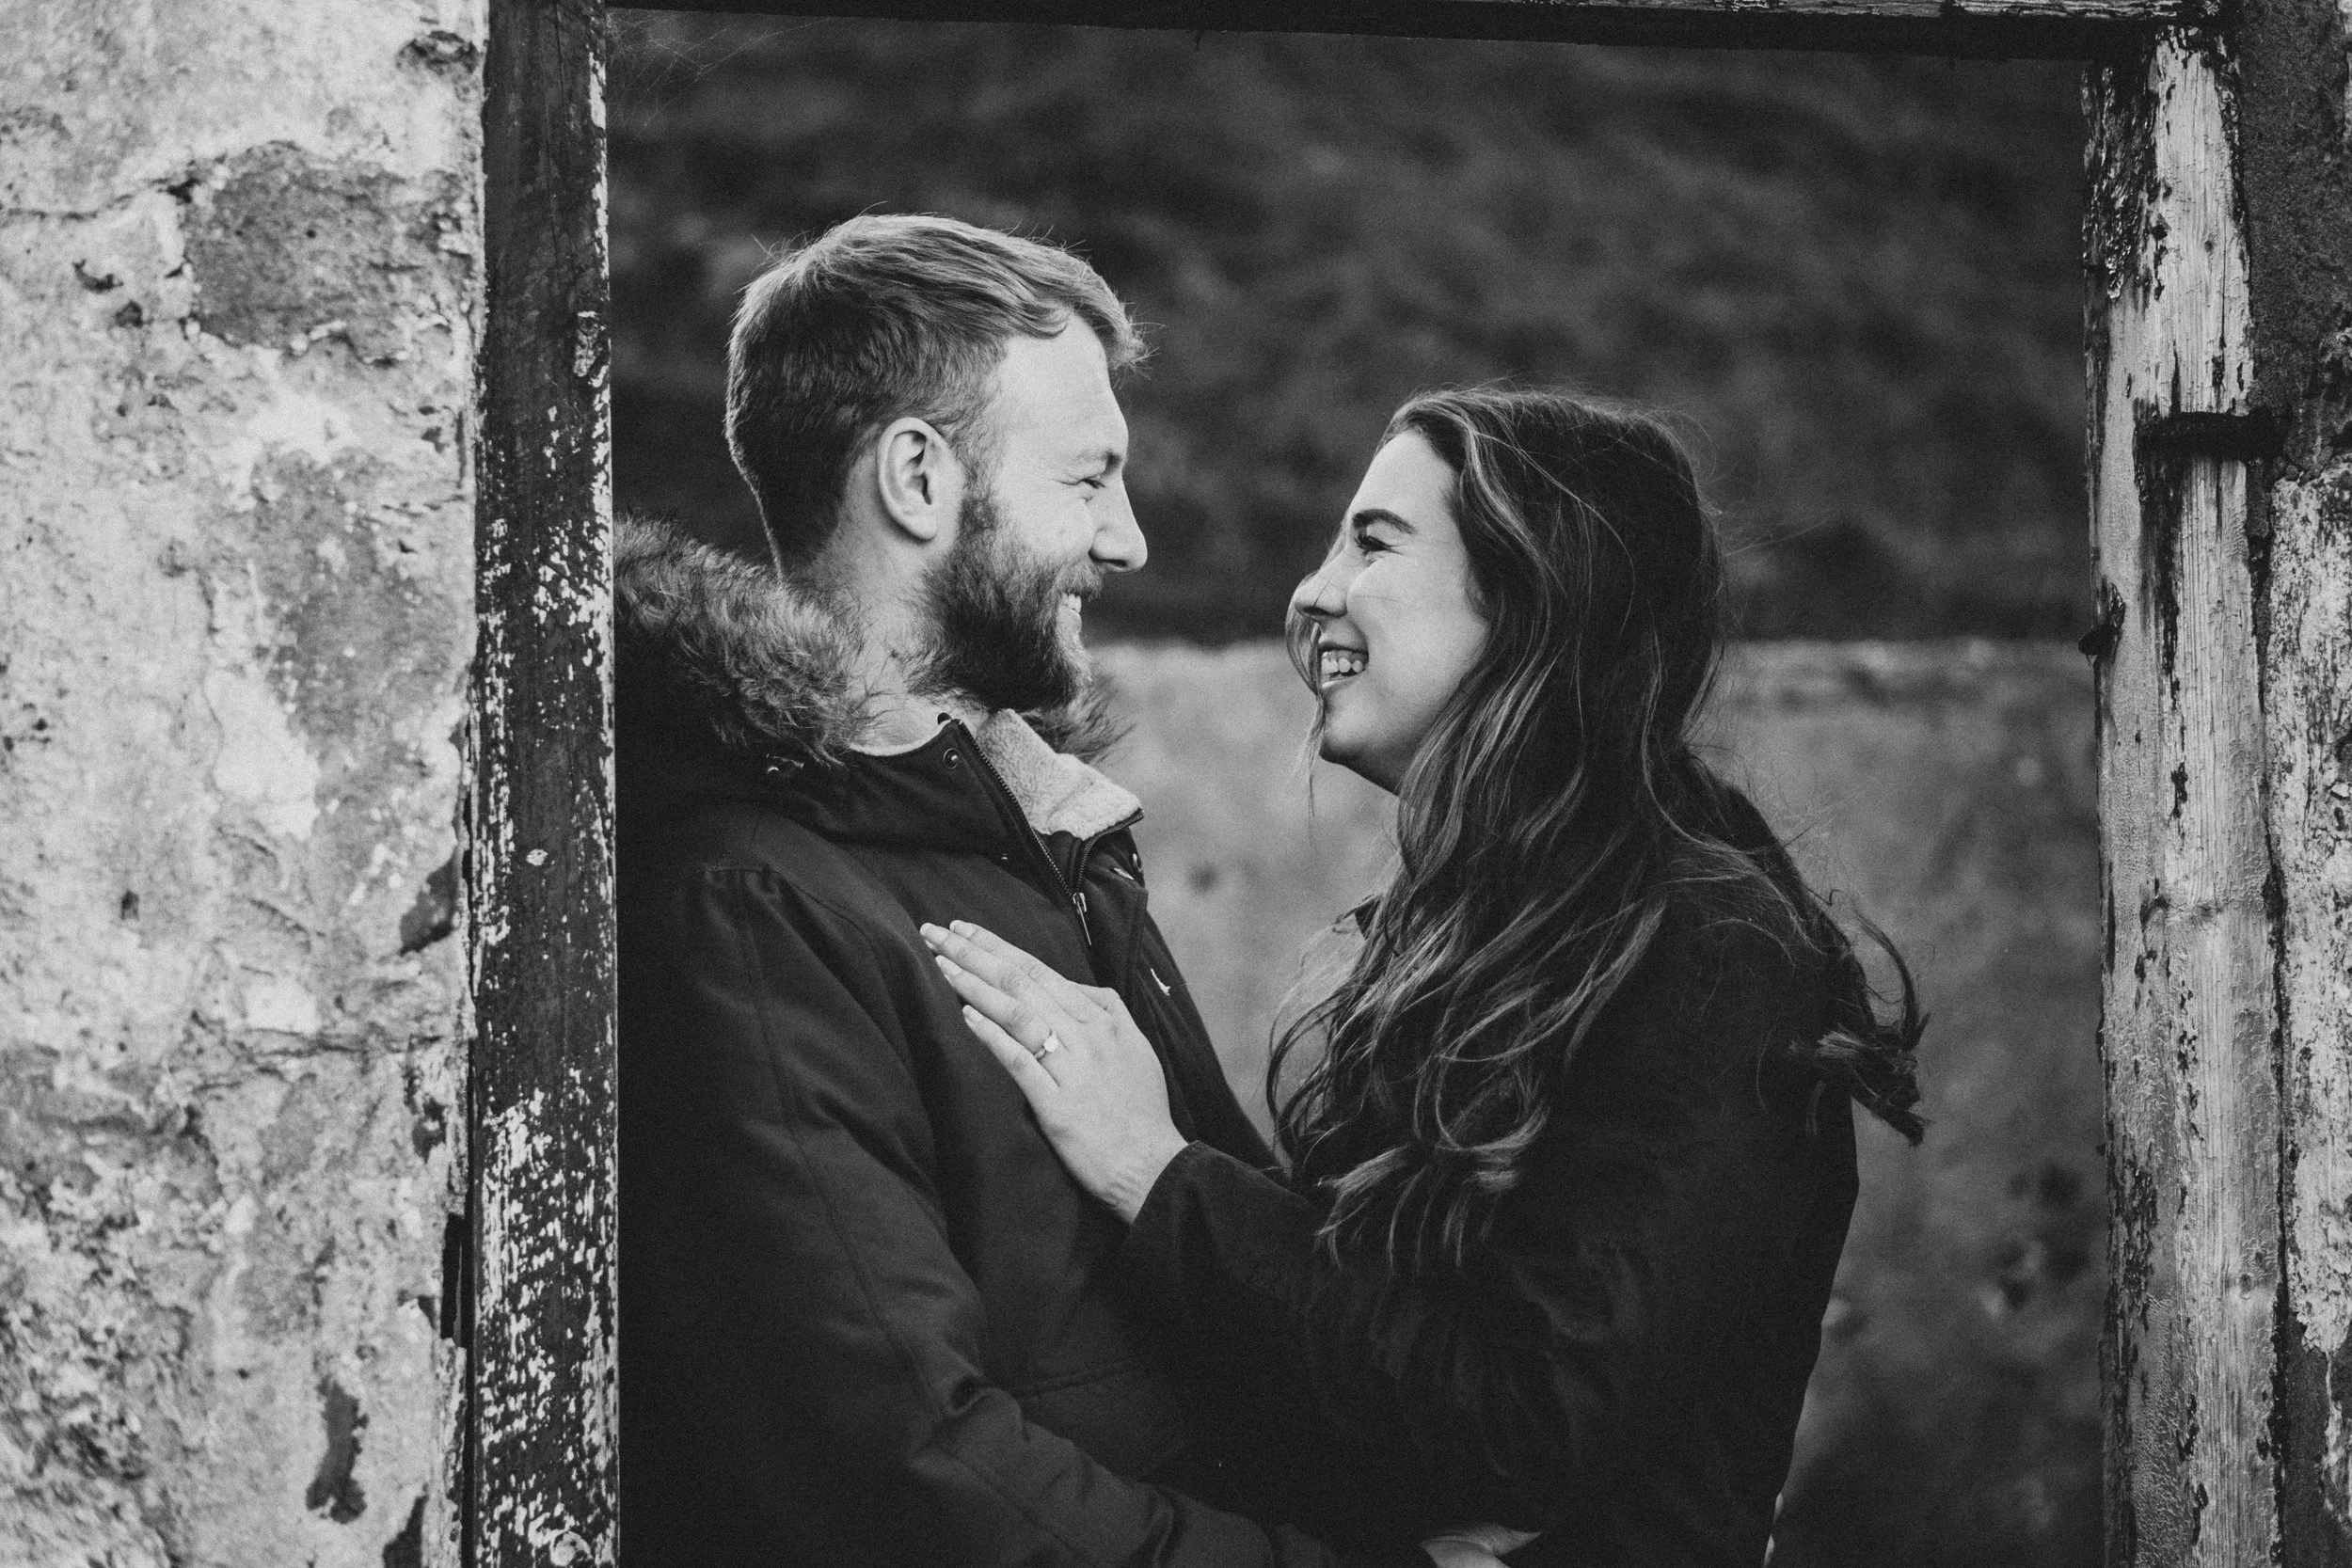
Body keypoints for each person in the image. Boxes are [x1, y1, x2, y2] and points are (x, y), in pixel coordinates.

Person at [616, 213, 1497, 1566]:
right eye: (1089, 478)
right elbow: (896, 1480)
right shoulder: (747, 903)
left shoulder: (1035, 836)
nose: (1129, 539)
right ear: (918, 475)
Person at [925, 386, 1929, 1568]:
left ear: (1529, 598)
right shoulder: (1512, 919)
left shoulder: (1708, 951)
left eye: (1374, 541)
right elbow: (1384, 1358)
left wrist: (1157, 1173)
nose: (1311, 593)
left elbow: (1525, 1421)